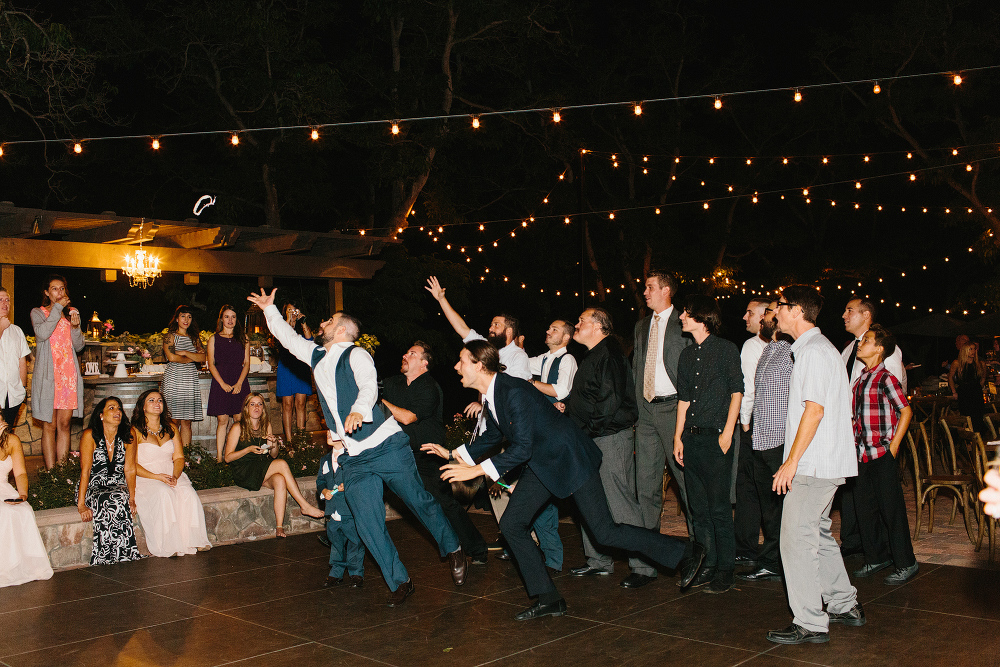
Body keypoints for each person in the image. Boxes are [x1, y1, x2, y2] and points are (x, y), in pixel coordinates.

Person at [423, 340, 706, 621]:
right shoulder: (494, 394)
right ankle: (549, 598)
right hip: (544, 463)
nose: (456, 366)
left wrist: (477, 471)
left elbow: (522, 448)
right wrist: (453, 453)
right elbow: (494, 436)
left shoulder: (512, 392)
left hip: (570, 459)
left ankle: (686, 551)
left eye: (462, 360)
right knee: (512, 524)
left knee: (605, 531)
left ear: (479, 364)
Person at [248, 288, 467, 608]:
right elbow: (286, 338)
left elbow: (367, 386)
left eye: (329, 320)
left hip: (387, 446)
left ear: (340, 330)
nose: (321, 323)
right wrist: (270, 310)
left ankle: (453, 548)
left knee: (418, 501)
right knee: (366, 521)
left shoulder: (357, 354)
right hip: (355, 458)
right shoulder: (316, 355)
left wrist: (359, 411)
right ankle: (400, 580)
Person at [767, 285, 862, 645]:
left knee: (795, 540)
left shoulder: (815, 352)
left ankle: (810, 620)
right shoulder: (814, 350)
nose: (775, 312)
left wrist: (791, 462)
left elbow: (815, 410)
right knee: (818, 533)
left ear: (795, 310)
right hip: (821, 462)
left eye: (780, 306)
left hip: (813, 465)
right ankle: (843, 604)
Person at [381, 341, 489, 565]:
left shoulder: (429, 387)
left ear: (424, 363)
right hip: (397, 453)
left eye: (412, 353)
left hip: (427, 456)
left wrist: (378, 401)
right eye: (406, 351)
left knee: (444, 503)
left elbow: (408, 417)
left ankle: (476, 549)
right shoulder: (393, 383)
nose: (405, 355)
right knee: (365, 488)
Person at [563, 308, 648, 588]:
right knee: (590, 499)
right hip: (591, 437)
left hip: (608, 437)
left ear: (599, 326)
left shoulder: (609, 353)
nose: (576, 324)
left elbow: (609, 403)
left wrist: (587, 432)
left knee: (619, 500)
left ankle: (644, 565)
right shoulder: (594, 353)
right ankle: (599, 560)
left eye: (581, 320)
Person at [672, 295, 744, 594]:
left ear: (702, 318)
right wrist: (677, 437)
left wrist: (727, 433)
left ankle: (726, 569)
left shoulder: (726, 349)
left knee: (718, 509)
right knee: (698, 509)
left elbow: (737, 392)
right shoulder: (686, 356)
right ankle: (708, 565)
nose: (681, 318)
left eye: (686, 313)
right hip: (691, 438)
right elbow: (683, 400)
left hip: (717, 438)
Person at [633, 270, 694, 568]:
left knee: (686, 483)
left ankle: (701, 553)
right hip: (645, 412)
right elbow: (637, 367)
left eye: (650, 287)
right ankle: (647, 562)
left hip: (674, 410)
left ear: (667, 290)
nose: (645, 292)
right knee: (645, 486)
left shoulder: (685, 321)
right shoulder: (641, 325)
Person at [848, 324, 918, 585]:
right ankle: (877, 556)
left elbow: (906, 411)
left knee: (892, 510)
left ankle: (906, 562)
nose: (860, 343)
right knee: (865, 509)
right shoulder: (862, 378)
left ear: (879, 349)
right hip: (862, 453)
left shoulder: (886, 377)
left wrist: (894, 447)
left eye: (866, 340)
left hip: (882, 452)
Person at [839, 297, 907, 558]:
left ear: (866, 315)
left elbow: (896, 401)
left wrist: (893, 445)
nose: (844, 315)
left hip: (879, 444)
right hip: (856, 439)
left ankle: (896, 555)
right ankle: (862, 545)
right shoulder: (849, 350)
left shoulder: (885, 352)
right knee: (859, 497)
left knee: (886, 503)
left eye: (850, 310)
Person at [737, 302, 791, 583]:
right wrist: (749, 423)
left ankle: (777, 560)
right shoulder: (771, 349)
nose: (767, 317)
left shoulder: (794, 351)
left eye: (771, 312)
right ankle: (770, 560)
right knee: (769, 504)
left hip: (780, 439)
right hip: (761, 436)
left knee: (779, 504)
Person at [224, 393, 324, 537]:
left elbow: (273, 455)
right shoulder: (238, 427)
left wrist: (273, 444)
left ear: (263, 408)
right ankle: (304, 506)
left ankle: (279, 527)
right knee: (282, 464)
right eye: (252, 404)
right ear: (246, 408)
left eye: (259, 404)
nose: (256, 407)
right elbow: (228, 458)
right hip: (244, 470)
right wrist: (248, 449)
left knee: (279, 479)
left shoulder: (266, 426)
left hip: (261, 467)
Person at [131, 389, 211, 557]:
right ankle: (168, 544)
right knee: (164, 493)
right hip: (146, 477)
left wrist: (175, 475)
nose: (156, 403)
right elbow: (131, 465)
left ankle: (195, 540)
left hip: (171, 472)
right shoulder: (134, 431)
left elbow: (179, 457)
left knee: (187, 492)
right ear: (143, 407)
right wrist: (157, 477)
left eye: (159, 400)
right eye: (151, 400)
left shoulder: (171, 427)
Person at [77, 396, 142, 565]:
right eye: (112, 408)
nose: (117, 412)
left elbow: (130, 469)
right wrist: (81, 504)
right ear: (101, 415)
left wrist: (132, 498)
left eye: (119, 408)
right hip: (94, 486)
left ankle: (123, 554)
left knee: (120, 498)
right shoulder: (90, 435)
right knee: (109, 500)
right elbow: (85, 471)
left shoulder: (129, 434)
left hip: (117, 486)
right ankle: (105, 555)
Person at [31, 274, 85, 469]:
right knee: (49, 425)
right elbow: (43, 333)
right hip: (48, 377)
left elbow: (78, 346)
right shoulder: (38, 313)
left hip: (68, 376)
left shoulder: (71, 313)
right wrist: (57, 309)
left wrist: (76, 327)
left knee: (64, 425)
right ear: (47, 292)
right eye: (54, 289)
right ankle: (51, 471)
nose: (59, 292)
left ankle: (62, 474)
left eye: (62, 288)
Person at [733, 298, 770, 567]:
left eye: (749, 313)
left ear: (762, 318)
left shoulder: (752, 346)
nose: (744, 317)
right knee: (766, 487)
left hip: (755, 422)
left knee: (748, 486)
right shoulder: (782, 346)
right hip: (776, 423)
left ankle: (746, 547)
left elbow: (749, 388)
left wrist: (745, 423)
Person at [0, 414, 54, 587]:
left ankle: (21, 567)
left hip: (3, 488)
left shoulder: (12, 440)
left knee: (23, 510)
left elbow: (21, 473)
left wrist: (22, 494)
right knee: (4, 512)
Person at [318, 434, 365, 588]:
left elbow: (360, 477)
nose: (329, 435)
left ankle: (356, 572)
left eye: (333, 432)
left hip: (349, 509)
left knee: (354, 541)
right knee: (336, 542)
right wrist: (324, 490)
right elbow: (321, 481)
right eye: (327, 432)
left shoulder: (352, 456)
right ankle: (336, 572)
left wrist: (348, 484)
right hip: (333, 510)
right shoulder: (325, 459)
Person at [207, 305, 251, 461]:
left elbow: (246, 363)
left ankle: (238, 456)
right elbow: (211, 364)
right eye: (227, 316)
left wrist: (239, 383)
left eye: (233, 316)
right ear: (221, 319)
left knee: (240, 420)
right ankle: (219, 458)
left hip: (239, 381)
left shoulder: (243, 338)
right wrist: (222, 383)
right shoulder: (214, 338)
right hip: (221, 381)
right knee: (222, 420)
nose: (230, 320)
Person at [161, 306, 206, 448]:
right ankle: (172, 454)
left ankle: (185, 456)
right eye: (183, 316)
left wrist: (185, 352)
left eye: (189, 317)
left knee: (187, 421)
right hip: (174, 380)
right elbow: (172, 357)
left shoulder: (194, 339)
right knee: (173, 421)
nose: (186, 320)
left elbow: (203, 357)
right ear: (176, 318)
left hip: (189, 380)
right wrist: (193, 358)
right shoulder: (170, 336)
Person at [275, 303, 315, 443]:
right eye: (289, 310)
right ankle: (290, 441)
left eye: (294, 310)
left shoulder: (300, 327)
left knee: (301, 403)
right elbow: (279, 339)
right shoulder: (281, 327)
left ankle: (301, 440)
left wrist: (303, 322)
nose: (292, 312)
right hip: (286, 367)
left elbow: (310, 340)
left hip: (301, 368)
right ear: (284, 312)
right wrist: (287, 321)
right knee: (287, 404)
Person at [0, 287, 30, 430]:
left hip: (12, 395)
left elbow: (22, 360)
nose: (5, 303)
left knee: (7, 434)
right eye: (0, 300)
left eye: (7, 300)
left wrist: (22, 388)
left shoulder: (17, 330)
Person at [529, 320, 578, 404]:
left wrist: (532, 382)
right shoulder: (545, 358)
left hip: (558, 414)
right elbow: (521, 363)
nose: (547, 331)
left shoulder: (567, 359)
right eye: (549, 329)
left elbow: (561, 391)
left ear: (566, 337)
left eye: (554, 329)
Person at [949, 342, 987, 434]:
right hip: (964, 393)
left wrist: (979, 387)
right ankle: (968, 441)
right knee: (966, 417)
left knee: (978, 418)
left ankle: (978, 440)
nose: (973, 351)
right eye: (970, 349)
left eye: (974, 349)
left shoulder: (980, 364)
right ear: (965, 350)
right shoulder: (957, 363)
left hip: (976, 392)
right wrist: (954, 391)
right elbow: (950, 377)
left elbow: (983, 378)